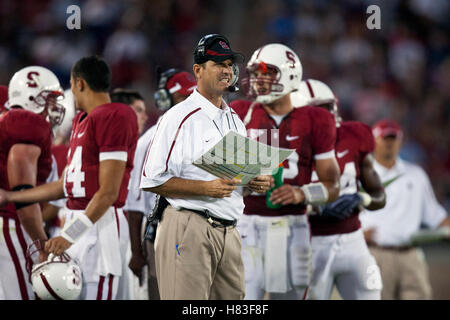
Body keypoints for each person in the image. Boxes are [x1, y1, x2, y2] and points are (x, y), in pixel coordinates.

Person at [140, 34, 272, 300]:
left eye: (229, 64)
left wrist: (253, 182)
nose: (226, 70)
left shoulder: (234, 118)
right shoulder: (178, 116)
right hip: (188, 224)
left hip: (230, 230)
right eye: (218, 64)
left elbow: (232, 182)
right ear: (198, 70)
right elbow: (151, 179)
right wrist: (206, 188)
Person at [0, 56, 139, 300]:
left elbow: (108, 193)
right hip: (78, 224)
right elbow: (63, 185)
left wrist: (68, 235)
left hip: (98, 224)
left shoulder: (113, 115)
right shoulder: (81, 120)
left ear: (79, 84)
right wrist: (12, 196)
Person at [230, 44, 341, 300]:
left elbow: (332, 186)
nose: (258, 80)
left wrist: (302, 194)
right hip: (248, 224)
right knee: (244, 301)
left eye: (267, 72)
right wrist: (244, 183)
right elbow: (224, 175)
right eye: (255, 73)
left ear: (289, 74)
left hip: (294, 226)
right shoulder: (240, 113)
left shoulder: (316, 119)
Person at [293, 79, 386, 300]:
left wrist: (360, 199)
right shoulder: (287, 147)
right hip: (308, 246)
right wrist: (313, 209)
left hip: (353, 242)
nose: (325, 118)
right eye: (316, 112)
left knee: (371, 293)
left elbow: (379, 195)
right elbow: (271, 202)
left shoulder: (356, 135)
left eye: (327, 109)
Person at [121, 69, 197, 300]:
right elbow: (134, 204)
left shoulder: (208, 135)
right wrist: (136, 252)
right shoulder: (149, 141)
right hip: (160, 232)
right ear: (165, 100)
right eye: (184, 98)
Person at [360, 119, 450, 300]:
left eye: (393, 138)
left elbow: (435, 215)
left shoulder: (415, 175)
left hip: (411, 254)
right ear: (373, 141)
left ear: (400, 141)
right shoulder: (360, 176)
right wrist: (359, 234)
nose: (389, 143)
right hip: (375, 254)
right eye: (384, 138)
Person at [0, 66, 65, 300]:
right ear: (31, 98)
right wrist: (42, 243)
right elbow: (22, 197)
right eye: (49, 99)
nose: (54, 108)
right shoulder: (26, 122)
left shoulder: (9, 119)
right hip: (10, 224)